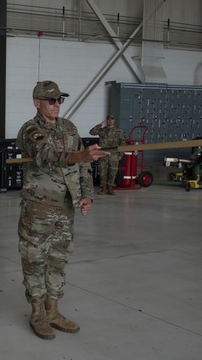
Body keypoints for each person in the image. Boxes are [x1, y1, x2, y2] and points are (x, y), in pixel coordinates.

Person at [17, 81, 109, 340]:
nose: (56, 104)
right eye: (51, 100)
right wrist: (81, 156)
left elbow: (83, 166)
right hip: (39, 208)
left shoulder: (69, 128)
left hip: (65, 208)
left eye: (60, 100)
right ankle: (37, 313)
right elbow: (46, 156)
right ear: (37, 102)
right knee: (35, 260)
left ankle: (53, 310)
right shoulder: (31, 130)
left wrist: (86, 195)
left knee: (58, 259)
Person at [89, 114, 126, 195]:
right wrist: (100, 124)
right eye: (108, 119)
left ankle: (110, 188)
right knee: (102, 172)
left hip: (113, 154)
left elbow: (122, 143)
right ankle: (104, 188)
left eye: (112, 119)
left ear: (114, 120)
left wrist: (120, 154)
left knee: (113, 172)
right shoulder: (102, 130)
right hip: (103, 154)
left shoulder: (119, 131)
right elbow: (91, 132)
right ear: (106, 120)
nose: (110, 121)